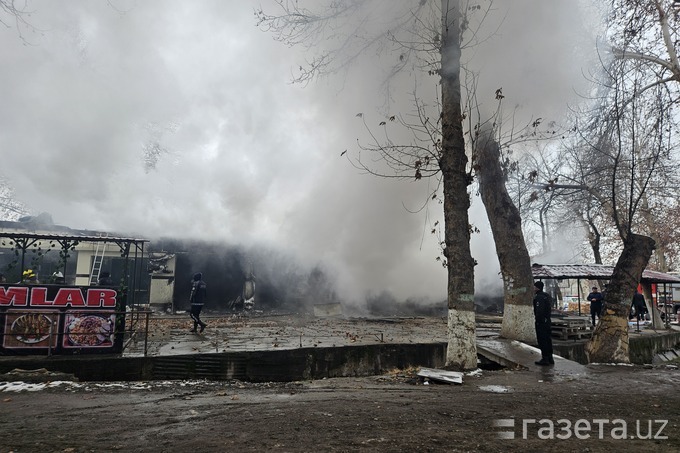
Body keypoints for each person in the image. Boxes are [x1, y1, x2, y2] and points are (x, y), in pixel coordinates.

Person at [533, 281, 554, 365]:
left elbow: (539, 311)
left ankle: (545, 359)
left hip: (541, 322)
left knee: (542, 340)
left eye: (534, 287)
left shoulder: (539, 297)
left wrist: (538, 320)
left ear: (537, 287)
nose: (533, 288)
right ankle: (550, 358)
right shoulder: (546, 296)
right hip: (547, 321)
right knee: (548, 339)